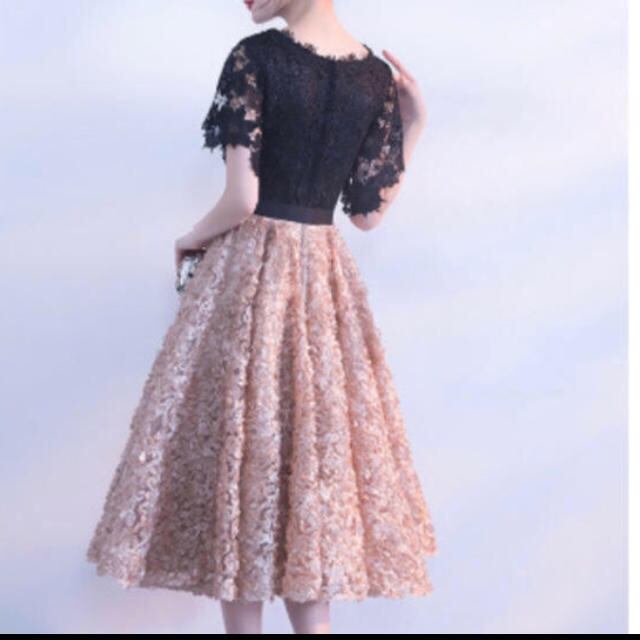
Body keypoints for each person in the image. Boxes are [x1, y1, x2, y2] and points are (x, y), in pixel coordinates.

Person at [86, 0, 437, 634]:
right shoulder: (375, 79)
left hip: (253, 277)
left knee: (243, 458)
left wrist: (191, 237)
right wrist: (412, 125)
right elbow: (365, 214)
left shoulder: (255, 59)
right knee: (306, 472)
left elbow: (242, 199)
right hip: (323, 287)